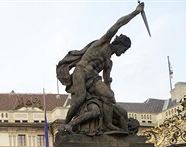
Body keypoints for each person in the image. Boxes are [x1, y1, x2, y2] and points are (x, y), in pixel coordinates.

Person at [56, 3, 143, 133]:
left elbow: (107, 82)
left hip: (94, 79)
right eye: (124, 49)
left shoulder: (109, 63)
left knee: (108, 96)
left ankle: (108, 124)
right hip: (81, 71)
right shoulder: (103, 43)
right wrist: (136, 12)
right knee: (80, 98)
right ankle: (66, 124)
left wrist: (111, 98)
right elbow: (118, 24)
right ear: (119, 44)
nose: (123, 52)